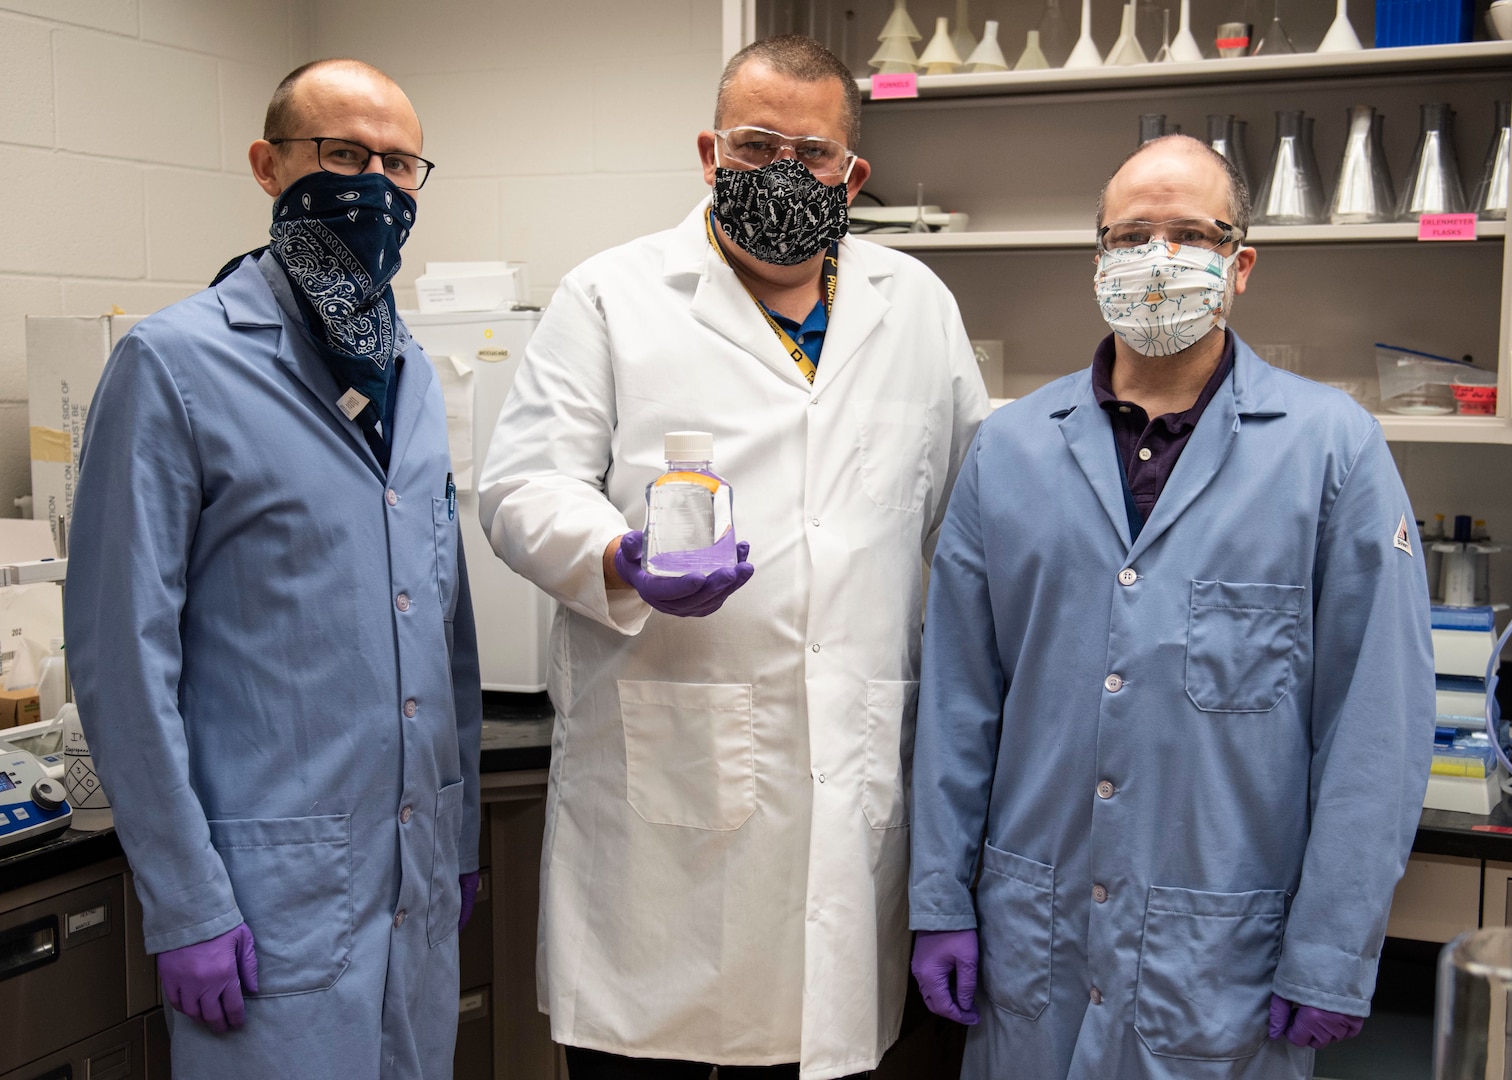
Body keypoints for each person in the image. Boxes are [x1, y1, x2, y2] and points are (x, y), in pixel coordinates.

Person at [477, 34, 989, 1080]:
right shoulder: (612, 296)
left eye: (814, 155)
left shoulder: (918, 307)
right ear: (709, 151)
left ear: (855, 175)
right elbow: (520, 487)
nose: (785, 174)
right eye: (758, 146)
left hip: (850, 795)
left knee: (829, 1039)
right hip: (663, 810)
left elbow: (971, 517)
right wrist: (618, 557)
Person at [907, 134, 1434, 1079]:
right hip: (1036, 941)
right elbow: (956, 700)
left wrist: (1332, 948)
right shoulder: (1010, 449)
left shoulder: (1333, 451)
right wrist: (940, 898)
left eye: (1191, 233)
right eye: (1132, 235)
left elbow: (1375, 728)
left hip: (1221, 961)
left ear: (1241, 264)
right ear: (1098, 260)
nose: (1159, 258)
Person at [64, 58, 482, 1080]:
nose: (375, 186)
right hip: (265, 906)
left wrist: (460, 835)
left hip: (411, 887)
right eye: (342, 155)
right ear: (267, 165)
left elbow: (445, 627)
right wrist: (185, 901)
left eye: (399, 163)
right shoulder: (174, 365)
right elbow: (122, 661)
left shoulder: (411, 373)